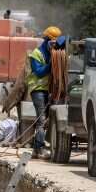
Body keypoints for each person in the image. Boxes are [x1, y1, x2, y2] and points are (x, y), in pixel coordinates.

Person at [26, 26, 62, 157]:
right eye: (52, 43)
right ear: (46, 40)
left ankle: (39, 146)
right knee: (41, 120)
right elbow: (39, 73)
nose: (53, 46)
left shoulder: (54, 53)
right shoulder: (36, 54)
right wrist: (52, 63)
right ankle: (39, 149)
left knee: (48, 120)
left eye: (55, 44)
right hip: (38, 90)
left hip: (50, 90)